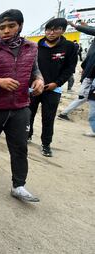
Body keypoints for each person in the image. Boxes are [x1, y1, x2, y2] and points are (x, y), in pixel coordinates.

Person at [0, 9, 44, 202]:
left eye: (11, 26)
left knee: (20, 146)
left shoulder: (31, 48)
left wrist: (39, 80)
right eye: (1, 27)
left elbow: (34, 70)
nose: (6, 31)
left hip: (20, 106)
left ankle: (18, 185)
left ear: (20, 26)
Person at [28, 18, 78, 157]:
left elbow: (69, 68)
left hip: (53, 89)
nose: (51, 32)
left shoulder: (69, 47)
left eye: (56, 29)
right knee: (28, 115)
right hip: (33, 88)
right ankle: (27, 135)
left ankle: (46, 144)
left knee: (48, 118)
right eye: (48, 29)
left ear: (62, 30)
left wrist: (57, 83)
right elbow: (31, 67)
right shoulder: (37, 46)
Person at [58, 21, 95, 121]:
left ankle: (64, 113)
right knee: (88, 98)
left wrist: (78, 26)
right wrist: (77, 26)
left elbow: (90, 29)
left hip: (89, 73)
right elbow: (90, 30)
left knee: (85, 97)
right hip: (90, 74)